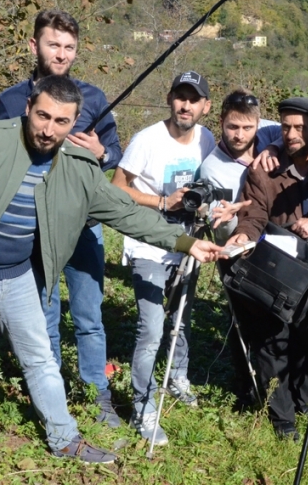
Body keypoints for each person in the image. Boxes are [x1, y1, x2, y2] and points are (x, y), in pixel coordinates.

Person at [0, 75, 220, 485]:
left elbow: (125, 212)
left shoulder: (76, 166)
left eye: (62, 122)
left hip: (19, 278)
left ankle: (64, 437)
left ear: (75, 124)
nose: (49, 129)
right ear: (29, 107)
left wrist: (183, 240)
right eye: (42, 116)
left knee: (42, 361)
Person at [0, 9, 123, 426]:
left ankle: (96, 393)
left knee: (89, 316)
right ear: (35, 46)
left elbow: (116, 154)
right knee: (43, 317)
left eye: (69, 47)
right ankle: (51, 397)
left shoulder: (94, 99)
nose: (61, 54)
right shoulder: (11, 100)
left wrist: (103, 154)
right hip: (31, 228)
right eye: (53, 44)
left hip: (83, 224)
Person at [226, 97, 308, 440]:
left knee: (301, 338)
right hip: (274, 271)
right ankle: (283, 420)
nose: (292, 134)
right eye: (286, 126)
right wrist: (242, 236)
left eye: (300, 128)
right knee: (272, 343)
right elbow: (253, 214)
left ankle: (304, 400)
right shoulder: (263, 169)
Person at [110, 71, 216, 446]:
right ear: (169, 99)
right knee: (151, 329)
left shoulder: (207, 139)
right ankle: (143, 407)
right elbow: (117, 188)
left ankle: (177, 378)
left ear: (205, 106)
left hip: (187, 245)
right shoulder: (147, 140)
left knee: (182, 318)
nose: (185, 105)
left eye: (194, 99)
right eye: (179, 96)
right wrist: (160, 202)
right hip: (148, 247)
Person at [197, 88, 275, 406]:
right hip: (236, 251)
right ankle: (246, 389)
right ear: (221, 122)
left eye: (247, 127)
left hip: (275, 244)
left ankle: (281, 386)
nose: (240, 134)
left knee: (277, 321)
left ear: (258, 123)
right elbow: (218, 219)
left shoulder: (272, 133)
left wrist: (278, 148)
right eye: (232, 127)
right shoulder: (212, 167)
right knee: (243, 322)